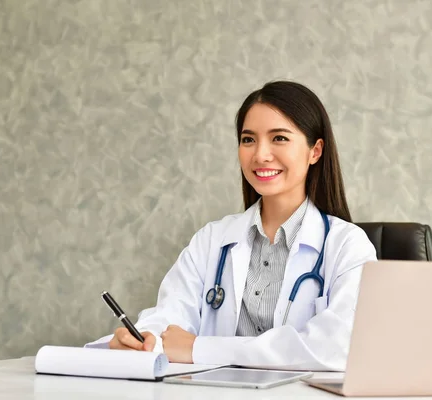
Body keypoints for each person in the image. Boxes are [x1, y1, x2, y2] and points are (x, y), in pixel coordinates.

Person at [86, 81, 377, 371]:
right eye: (248, 139)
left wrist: (200, 348)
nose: (260, 154)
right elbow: (169, 320)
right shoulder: (212, 240)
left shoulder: (347, 245)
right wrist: (144, 338)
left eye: (279, 138)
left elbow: (339, 347)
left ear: (315, 151)